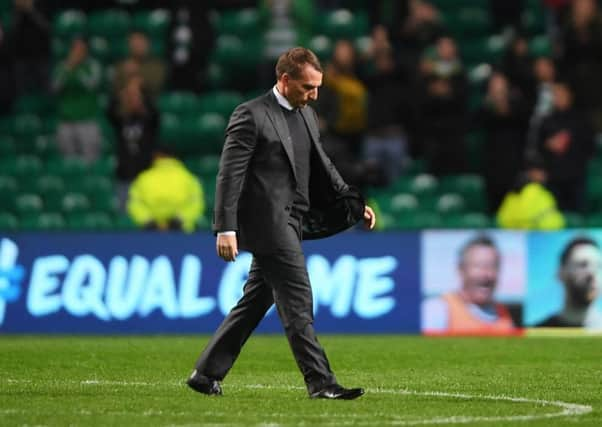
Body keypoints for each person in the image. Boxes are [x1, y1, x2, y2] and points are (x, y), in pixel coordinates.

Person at [186, 47, 376, 400]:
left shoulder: (306, 114)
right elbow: (229, 175)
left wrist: (352, 202)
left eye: (317, 87)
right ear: (284, 80)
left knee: (255, 301)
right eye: (307, 87)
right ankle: (321, 382)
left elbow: (322, 162)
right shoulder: (251, 115)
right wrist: (225, 227)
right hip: (268, 224)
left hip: (294, 221)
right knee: (298, 298)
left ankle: (206, 372)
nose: (314, 95)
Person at [422, 235, 517, 334]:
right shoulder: (437, 310)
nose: (486, 274)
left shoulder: (505, 316)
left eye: (492, 266)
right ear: (461, 270)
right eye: (478, 266)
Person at [107, 75, 159, 210]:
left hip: (146, 174)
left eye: (136, 98)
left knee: (147, 214)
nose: (133, 101)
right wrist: (124, 93)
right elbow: (110, 110)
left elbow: (154, 112)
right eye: (131, 98)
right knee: (125, 212)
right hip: (125, 174)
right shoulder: (121, 120)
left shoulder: (149, 121)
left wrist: (140, 94)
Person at [127, 148, 204, 233]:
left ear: (156, 157)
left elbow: (135, 203)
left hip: (151, 233)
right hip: (182, 232)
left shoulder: (143, 178)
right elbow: (196, 203)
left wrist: (147, 220)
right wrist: (180, 219)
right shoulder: (188, 177)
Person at [51, 36, 103, 163]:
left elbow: (91, 84)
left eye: (81, 49)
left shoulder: (92, 66)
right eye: (75, 49)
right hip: (66, 120)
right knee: (68, 162)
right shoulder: (62, 67)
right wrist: (69, 67)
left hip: (87, 119)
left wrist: (76, 70)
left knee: (90, 161)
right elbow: (55, 87)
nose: (78, 52)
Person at [537, 237, 602, 328]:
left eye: (599, 266)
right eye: (583, 265)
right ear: (560, 273)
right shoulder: (539, 332)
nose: (592, 273)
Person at [113, 31, 166, 99]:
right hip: (124, 103)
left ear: (148, 44)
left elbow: (156, 86)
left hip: (149, 103)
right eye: (134, 42)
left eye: (141, 42)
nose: (138, 46)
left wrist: (135, 76)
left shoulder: (157, 65)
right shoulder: (121, 66)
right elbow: (115, 88)